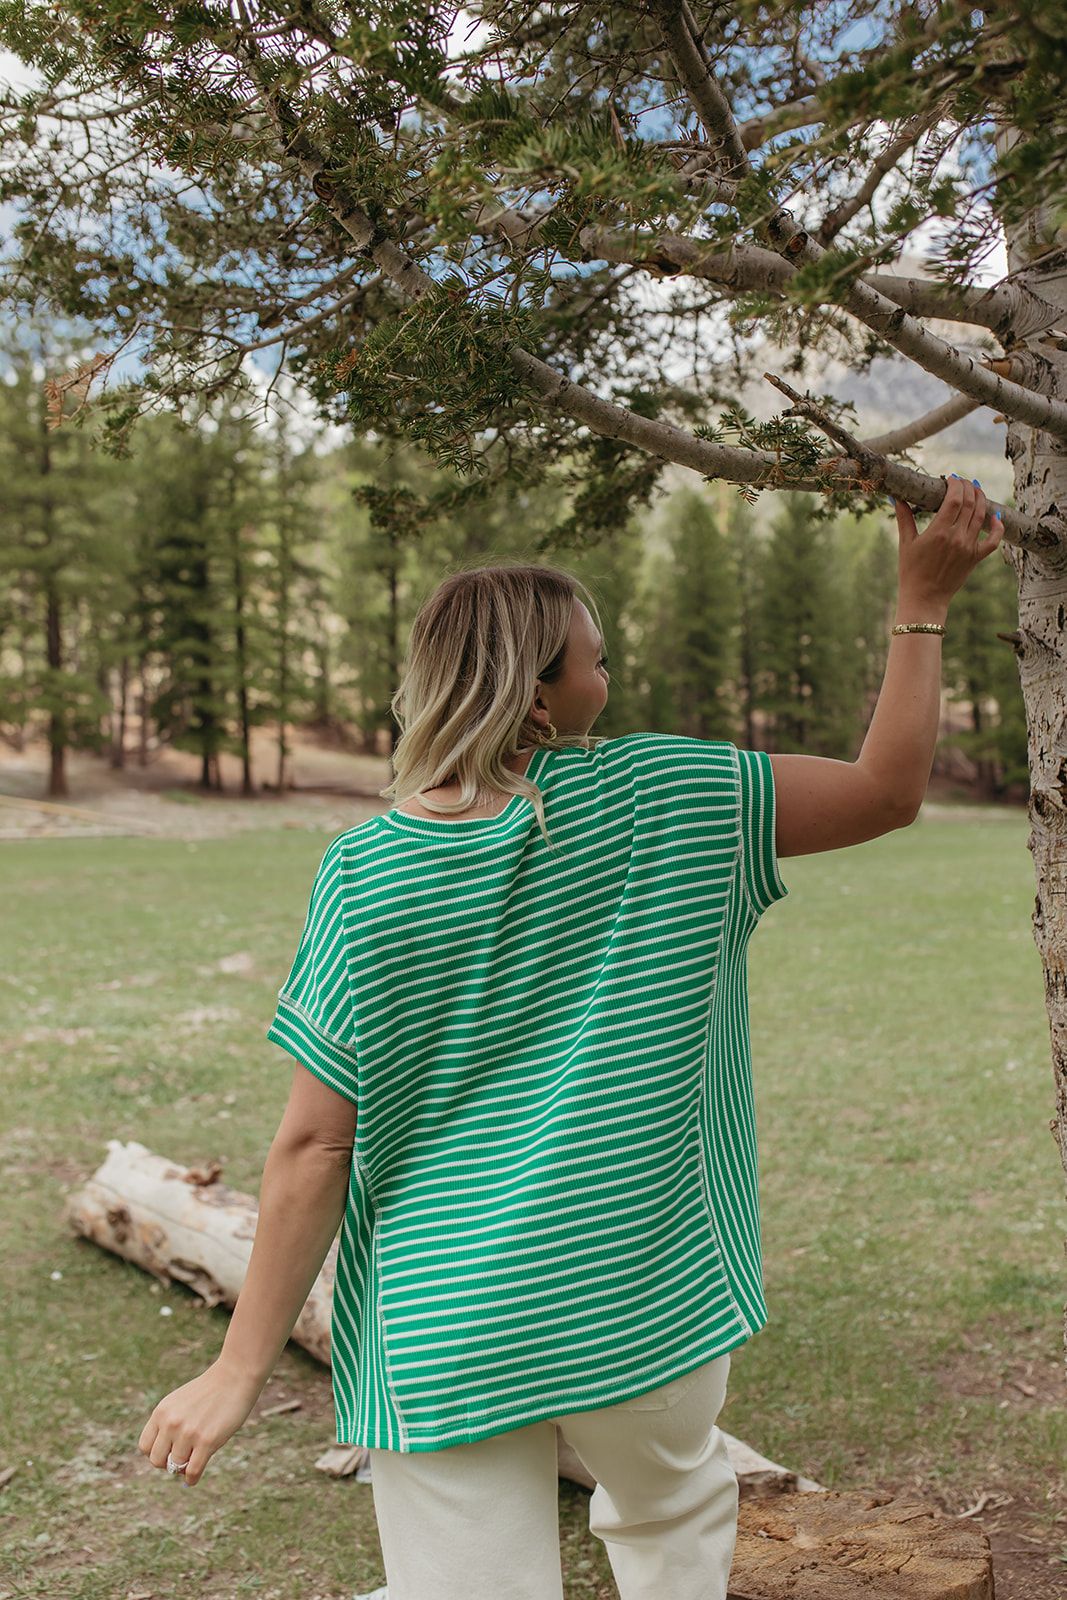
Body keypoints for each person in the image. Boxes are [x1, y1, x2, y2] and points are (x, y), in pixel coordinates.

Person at [138, 475, 1004, 1600]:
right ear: (538, 699)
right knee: (670, 1524)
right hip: (640, 1289)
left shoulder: (363, 871)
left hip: (443, 1315)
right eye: (593, 660)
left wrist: (237, 1367)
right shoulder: (671, 794)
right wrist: (919, 604)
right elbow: (887, 790)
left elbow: (314, 1146)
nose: (610, 677)